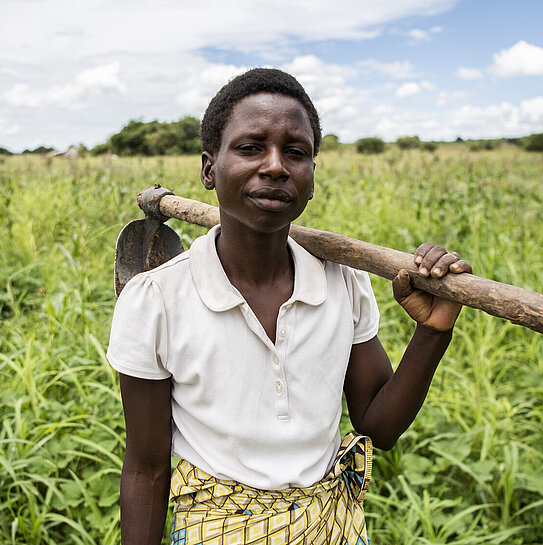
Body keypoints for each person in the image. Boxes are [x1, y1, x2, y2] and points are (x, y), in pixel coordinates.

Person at [107, 68, 472, 545]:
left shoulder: (341, 280)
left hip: (331, 528)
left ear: (312, 178)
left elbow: (378, 426)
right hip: (213, 530)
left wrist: (433, 333)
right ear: (208, 169)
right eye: (251, 147)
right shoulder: (156, 299)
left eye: (296, 152)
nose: (276, 166)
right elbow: (146, 470)